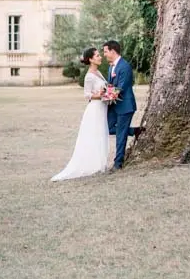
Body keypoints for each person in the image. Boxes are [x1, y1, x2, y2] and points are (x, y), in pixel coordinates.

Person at [50, 47, 110, 181]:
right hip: (95, 108)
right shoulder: (89, 76)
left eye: (100, 55)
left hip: (102, 108)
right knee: (93, 135)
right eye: (97, 56)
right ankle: (92, 164)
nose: (100, 57)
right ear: (90, 59)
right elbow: (87, 95)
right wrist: (99, 95)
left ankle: (100, 163)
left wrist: (107, 94)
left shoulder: (98, 72)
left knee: (100, 134)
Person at [103, 40, 144, 170]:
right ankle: (133, 130)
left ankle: (118, 163)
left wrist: (102, 97)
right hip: (114, 106)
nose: (104, 54)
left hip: (125, 106)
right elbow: (110, 86)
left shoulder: (124, 66)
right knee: (107, 128)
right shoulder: (111, 66)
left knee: (120, 135)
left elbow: (120, 89)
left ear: (112, 51)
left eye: (105, 51)